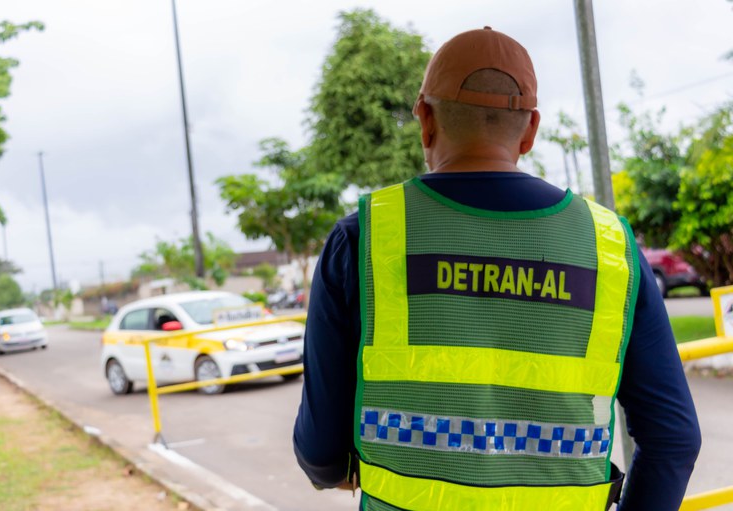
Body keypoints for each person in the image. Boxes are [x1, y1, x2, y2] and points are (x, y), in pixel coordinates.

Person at [294, 27, 701, 510]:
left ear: (425, 119)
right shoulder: (609, 247)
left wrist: (336, 470)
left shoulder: (364, 239)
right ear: (530, 130)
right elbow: (674, 438)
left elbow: (321, 451)